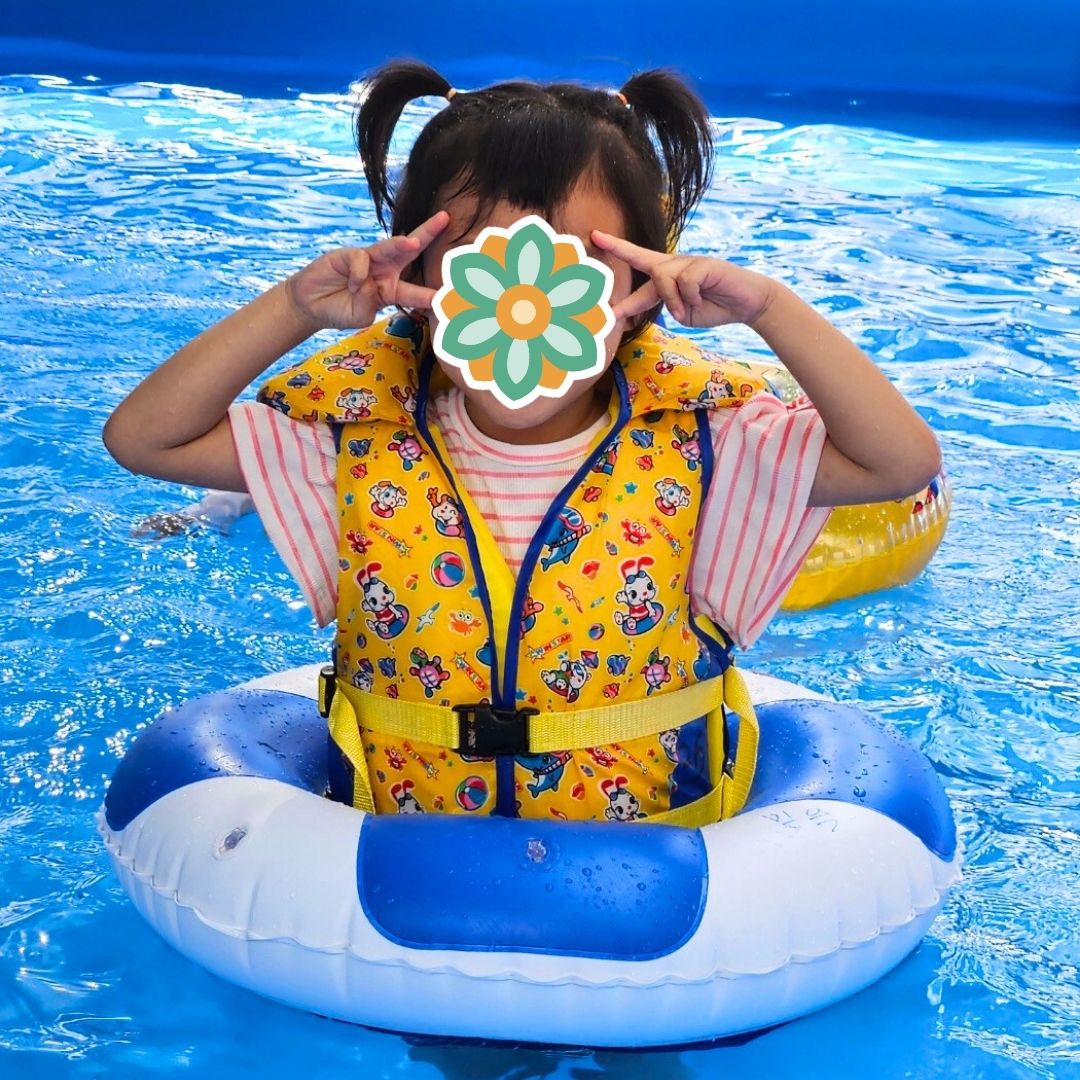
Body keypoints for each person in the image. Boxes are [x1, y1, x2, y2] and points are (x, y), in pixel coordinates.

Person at [104, 60, 940, 825]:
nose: (525, 301)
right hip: (399, 850)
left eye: (569, 269)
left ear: (641, 287)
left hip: (645, 854)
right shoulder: (355, 441)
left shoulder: (708, 445)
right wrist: (292, 306)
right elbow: (143, 439)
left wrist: (769, 307)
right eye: (485, 265)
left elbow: (900, 463)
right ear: (424, 281)